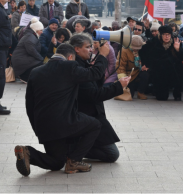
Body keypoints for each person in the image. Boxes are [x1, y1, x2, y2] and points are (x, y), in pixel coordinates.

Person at [15, 43, 113, 176]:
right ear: (71, 57)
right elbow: (95, 73)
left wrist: (38, 129)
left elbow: (29, 105)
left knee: (56, 162)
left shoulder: (36, 71)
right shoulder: (69, 66)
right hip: (64, 121)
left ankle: (28, 152)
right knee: (95, 125)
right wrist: (102, 56)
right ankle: (74, 161)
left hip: (44, 124)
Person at [71, 34, 130, 162]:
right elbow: (94, 95)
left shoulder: (82, 64)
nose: (91, 49)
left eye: (91, 46)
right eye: (87, 47)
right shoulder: (76, 66)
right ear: (77, 49)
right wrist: (118, 86)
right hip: (87, 116)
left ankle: (75, 149)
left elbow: (94, 85)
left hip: (92, 115)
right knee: (112, 154)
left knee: (112, 154)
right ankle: (71, 151)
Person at [140, 25, 183, 101]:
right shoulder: (153, 42)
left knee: (179, 70)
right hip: (159, 71)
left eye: (168, 34)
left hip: (174, 70)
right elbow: (143, 53)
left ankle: (177, 92)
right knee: (162, 98)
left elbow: (182, 57)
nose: (166, 37)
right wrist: (146, 65)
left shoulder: (175, 42)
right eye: (164, 34)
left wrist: (178, 49)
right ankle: (156, 90)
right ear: (160, 35)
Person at [116, 35, 149, 99]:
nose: (136, 50)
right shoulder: (124, 50)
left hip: (139, 71)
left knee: (145, 74)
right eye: (134, 48)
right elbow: (120, 66)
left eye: (138, 48)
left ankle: (140, 92)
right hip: (128, 74)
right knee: (130, 94)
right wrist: (123, 79)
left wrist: (145, 67)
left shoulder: (144, 48)